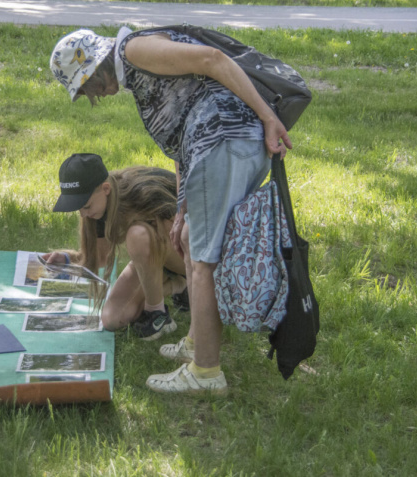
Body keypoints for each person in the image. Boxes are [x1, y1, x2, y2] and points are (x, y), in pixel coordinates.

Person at [51, 27, 292, 395]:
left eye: (86, 86)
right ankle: (196, 343)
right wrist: (182, 206)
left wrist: (267, 116)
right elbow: (180, 138)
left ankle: (206, 371)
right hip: (213, 146)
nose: (92, 96)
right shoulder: (134, 72)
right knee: (189, 238)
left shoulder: (133, 51)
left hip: (224, 139)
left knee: (205, 257)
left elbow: (212, 61)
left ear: (96, 64)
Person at [44, 153, 187, 341]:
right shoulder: (97, 210)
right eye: (78, 208)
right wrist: (70, 259)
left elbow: (185, 236)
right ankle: (179, 287)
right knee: (112, 318)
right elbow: (101, 258)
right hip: (158, 261)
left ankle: (157, 313)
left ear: (105, 189)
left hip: (187, 254)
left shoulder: (143, 194)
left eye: (85, 206)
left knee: (137, 235)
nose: (82, 214)